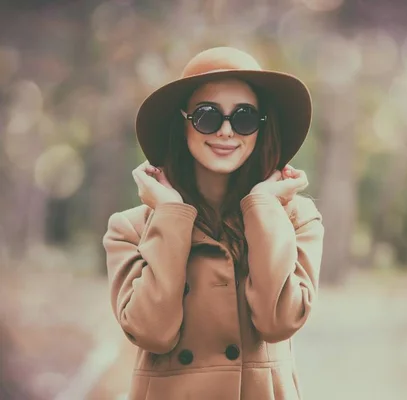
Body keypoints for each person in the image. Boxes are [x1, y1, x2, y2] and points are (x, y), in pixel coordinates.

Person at [102, 47, 324, 400]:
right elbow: (152, 332)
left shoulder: (295, 220)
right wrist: (171, 215)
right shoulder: (130, 228)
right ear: (183, 123)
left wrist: (263, 207)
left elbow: (278, 322)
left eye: (244, 117)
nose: (225, 131)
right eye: (207, 116)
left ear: (261, 128)